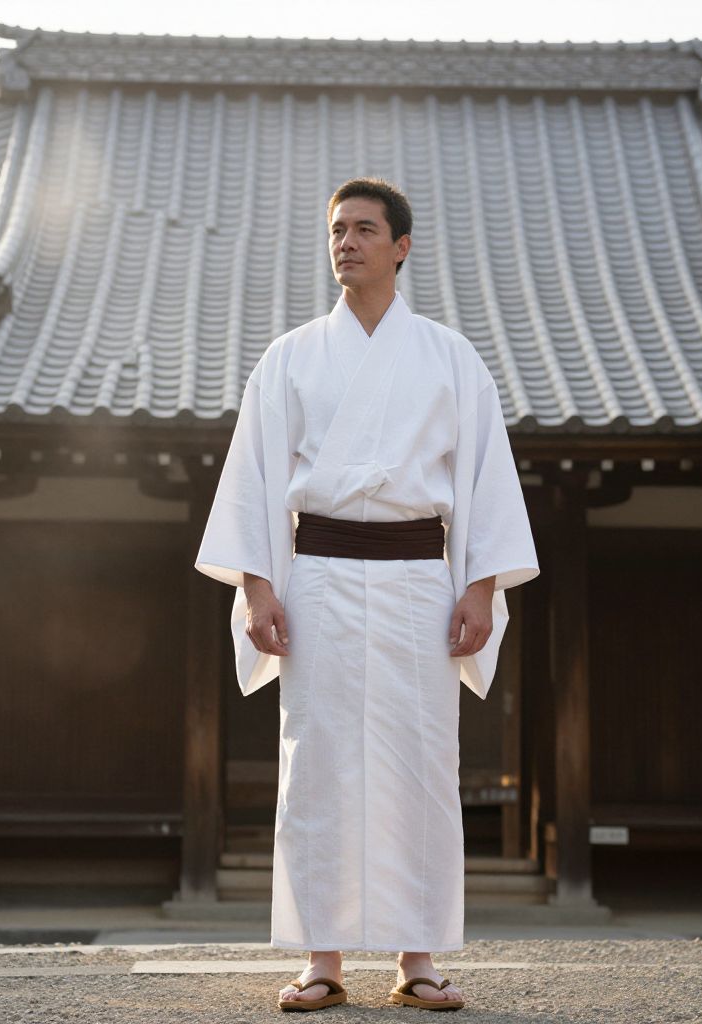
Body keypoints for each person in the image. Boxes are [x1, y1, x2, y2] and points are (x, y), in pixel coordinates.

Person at [195, 177, 539, 1012]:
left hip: (422, 580)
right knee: (318, 766)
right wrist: (258, 585)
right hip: (318, 580)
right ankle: (324, 961)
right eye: (337, 230)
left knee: (422, 764)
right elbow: (256, 481)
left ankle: (418, 960)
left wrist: (481, 588)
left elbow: (485, 479)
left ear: (401, 247)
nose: (346, 242)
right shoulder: (290, 358)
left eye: (364, 229)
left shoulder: (452, 358)